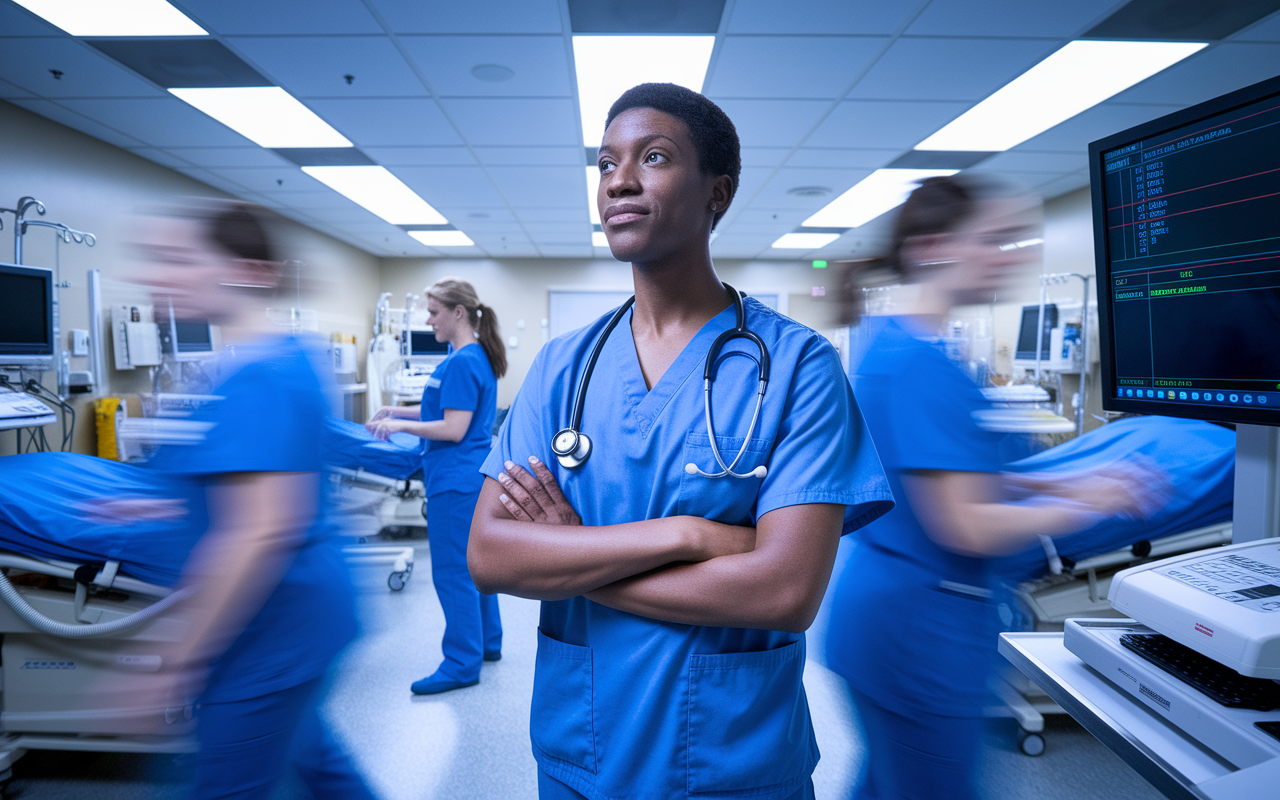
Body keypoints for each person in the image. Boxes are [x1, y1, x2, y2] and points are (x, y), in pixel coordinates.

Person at [467, 83, 894, 800]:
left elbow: (784, 591)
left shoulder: (796, 366)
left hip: (731, 764)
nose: (619, 181)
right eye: (605, 164)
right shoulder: (562, 368)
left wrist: (573, 554)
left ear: (716, 193)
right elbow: (490, 554)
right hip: (581, 762)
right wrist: (691, 535)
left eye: (653, 156)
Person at [824, 176, 1163, 800]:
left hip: (889, 616)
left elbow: (955, 471)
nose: (1013, 256)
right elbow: (965, 523)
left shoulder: (901, 343)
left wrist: (1067, 478)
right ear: (932, 248)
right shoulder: (918, 363)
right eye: (996, 241)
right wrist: (1088, 502)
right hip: (919, 629)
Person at [126, 201, 377, 799]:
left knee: (228, 784)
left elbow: (260, 530)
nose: (161, 277)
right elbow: (239, 486)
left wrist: (176, 660)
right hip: (294, 618)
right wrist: (163, 503)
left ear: (247, 269)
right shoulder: (256, 362)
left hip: (273, 625)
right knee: (318, 768)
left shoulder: (261, 373)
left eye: (181, 260)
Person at [366, 279, 505, 694]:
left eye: (434, 312)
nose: (428, 321)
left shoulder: (463, 361)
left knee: (452, 573)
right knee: (476, 567)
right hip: (468, 477)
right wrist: (398, 408)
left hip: (454, 481)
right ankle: (488, 643)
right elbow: (445, 407)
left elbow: (454, 426)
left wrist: (399, 424)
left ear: (457, 313)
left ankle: (461, 663)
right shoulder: (470, 357)